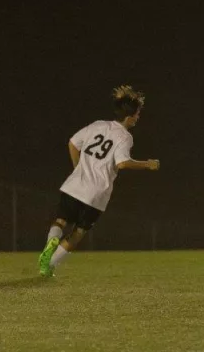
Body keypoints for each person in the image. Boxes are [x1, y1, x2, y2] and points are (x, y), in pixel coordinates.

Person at [37, 85, 160, 277]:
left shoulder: (97, 125)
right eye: (137, 114)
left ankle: (50, 242)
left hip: (74, 185)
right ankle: (48, 266)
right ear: (129, 117)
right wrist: (147, 164)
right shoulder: (125, 137)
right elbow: (122, 163)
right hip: (96, 194)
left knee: (60, 221)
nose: (138, 117)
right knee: (78, 233)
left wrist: (78, 167)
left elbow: (73, 143)